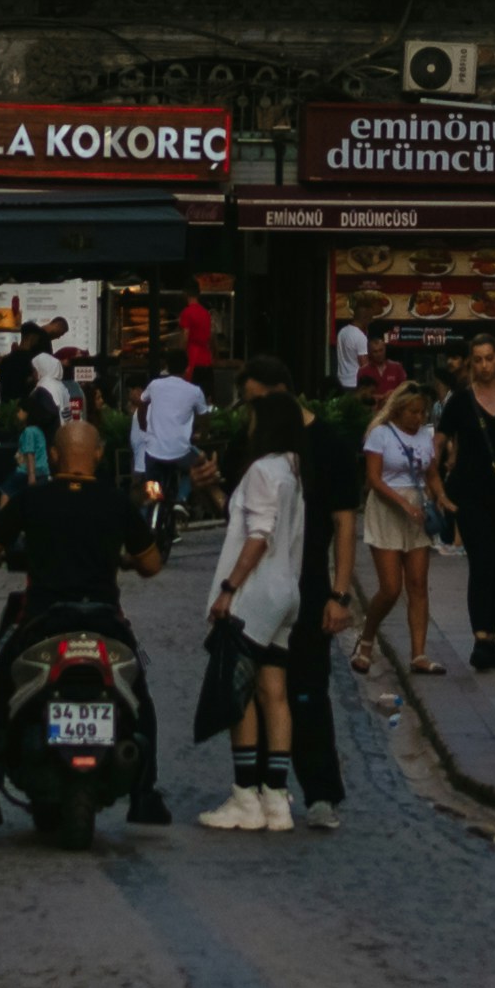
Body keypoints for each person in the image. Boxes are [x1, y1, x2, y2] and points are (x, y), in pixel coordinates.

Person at [0, 410, 174, 832]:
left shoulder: (32, 499)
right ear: (99, 454)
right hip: (105, 622)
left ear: (53, 455)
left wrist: (4, 555)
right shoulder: (116, 501)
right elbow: (151, 563)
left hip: (42, 621)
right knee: (140, 696)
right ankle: (145, 794)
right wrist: (123, 560)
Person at [198, 382, 336, 833]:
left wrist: (228, 588)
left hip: (255, 591)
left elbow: (258, 534)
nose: (248, 423)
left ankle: (244, 797)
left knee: (238, 694)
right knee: (274, 690)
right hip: (287, 592)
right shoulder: (294, 471)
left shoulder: (262, 470)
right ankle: (276, 798)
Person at [437, 335, 495, 675]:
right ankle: (481, 639)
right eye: (477, 359)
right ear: (469, 363)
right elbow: (438, 442)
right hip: (470, 493)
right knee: (483, 562)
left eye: (489, 358)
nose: (484, 365)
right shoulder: (460, 401)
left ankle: (490, 638)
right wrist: (437, 489)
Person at [362, 382, 442, 668]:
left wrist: (442, 498)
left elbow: (431, 474)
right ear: (398, 409)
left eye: (422, 412)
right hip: (388, 508)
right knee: (391, 588)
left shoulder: (424, 436)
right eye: (413, 412)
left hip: (417, 511)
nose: (418, 418)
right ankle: (367, 638)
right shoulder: (380, 435)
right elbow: (374, 478)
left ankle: (418, 653)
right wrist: (402, 503)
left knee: (418, 584)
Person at [131, 352, 209, 539]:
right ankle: (181, 498)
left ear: (167, 366)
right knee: (201, 463)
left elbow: (141, 404)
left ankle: (150, 514)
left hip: (153, 452)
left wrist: (144, 425)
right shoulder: (194, 391)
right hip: (180, 453)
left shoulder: (155, 385)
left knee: (153, 489)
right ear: (187, 368)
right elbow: (205, 418)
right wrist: (202, 436)